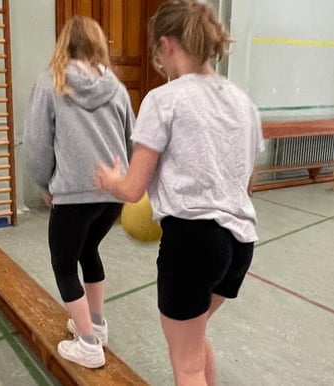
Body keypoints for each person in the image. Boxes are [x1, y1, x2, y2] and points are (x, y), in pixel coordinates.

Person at [93, 1, 264, 384]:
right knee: (195, 338)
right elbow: (248, 182)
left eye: (157, 53)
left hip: (193, 243)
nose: (159, 63)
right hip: (240, 244)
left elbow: (133, 187)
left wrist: (110, 178)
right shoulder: (243, 102)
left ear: (168, 44)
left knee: (185, 365)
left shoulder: (164, 99)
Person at [23, 16, 135, 369]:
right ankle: (97, 323)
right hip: (112, 192)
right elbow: (132, 138)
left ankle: (87, 343)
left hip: (74, 194)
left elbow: (37, 143)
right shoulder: (115, 85)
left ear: (63, 45)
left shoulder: (50, 82)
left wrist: (45, 184)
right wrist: (123, 182)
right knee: (89, 249)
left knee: (63, 263)